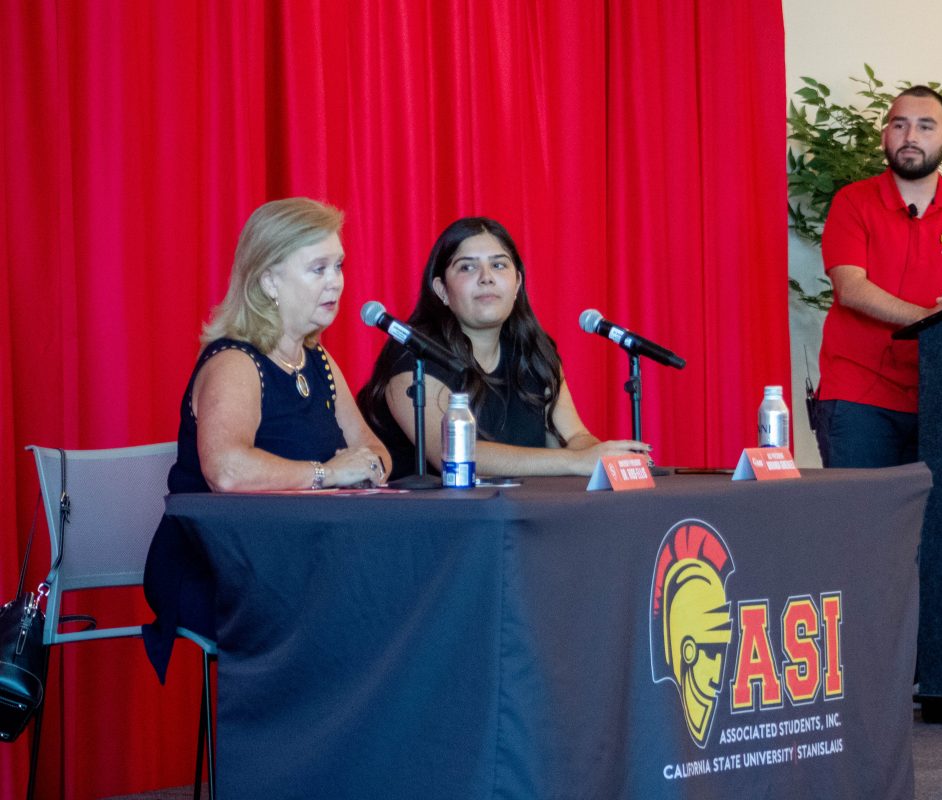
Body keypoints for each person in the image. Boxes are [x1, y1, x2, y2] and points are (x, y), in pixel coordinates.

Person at [142, 197, 390, 681]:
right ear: (269, 281)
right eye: (318, 268)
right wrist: (329, 474)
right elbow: (228, 471)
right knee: (352, 619)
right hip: (218, 564)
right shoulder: (235, 361)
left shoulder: (317, 360)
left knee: (392, 601)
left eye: (338, 266)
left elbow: (374, 451)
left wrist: (368, 466)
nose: (336, 281)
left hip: (297, 559)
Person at [357, 216, 647, 478]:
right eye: (467, 267)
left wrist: (604, 456)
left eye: (498, 265)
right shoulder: (414, 356)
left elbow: (575, 437)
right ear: (442, 290)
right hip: (426, 526)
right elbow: (455, 455)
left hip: (515, 518)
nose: (486, 277)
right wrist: (576, 462)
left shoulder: (534, 350)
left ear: (517, 282)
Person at [814, 85, 942, 468]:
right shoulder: (853, 201)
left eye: (925, 126)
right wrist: (935, 317)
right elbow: (851, 288)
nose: (910, 137)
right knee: (862, 523)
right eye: (899, 125)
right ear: (886, 136)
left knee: (941, 525)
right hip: (859, 397)